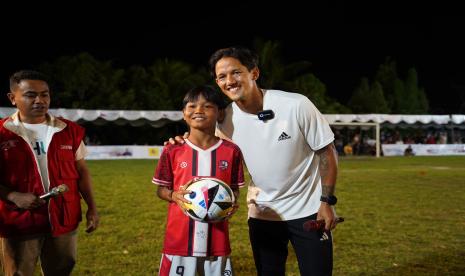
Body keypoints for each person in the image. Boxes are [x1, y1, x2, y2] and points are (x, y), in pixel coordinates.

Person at [170, 47, 340, 275]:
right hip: (262, 215)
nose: (229, 81)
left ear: (254, 73)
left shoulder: (295, 105)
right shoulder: (224, 122)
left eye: (236, 72)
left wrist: (326, 202)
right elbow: (204, 145)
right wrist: (179, 140)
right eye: (222, 76)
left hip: (309, 212)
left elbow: (326, 152)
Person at [0, 70, 99, 276]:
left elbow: (81, 171)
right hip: (19, 222)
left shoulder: (69, 130)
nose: (40, 100)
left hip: (64, 219)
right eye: (30, 95)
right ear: (13, 98)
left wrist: (92, 207)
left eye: (45, 94)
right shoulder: (2, 133)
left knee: (61, 271)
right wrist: (13, 196)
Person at [152, 85, 245, 276]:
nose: (198, 111)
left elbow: (234, 189)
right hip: (179, 240)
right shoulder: (172, 149)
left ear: (219, 113)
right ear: (184, 114)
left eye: (207, 106)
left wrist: (230, 202)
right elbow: (161, 189)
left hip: (217, 240)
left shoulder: (232, 151)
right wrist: (173, 195)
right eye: (192, 106)